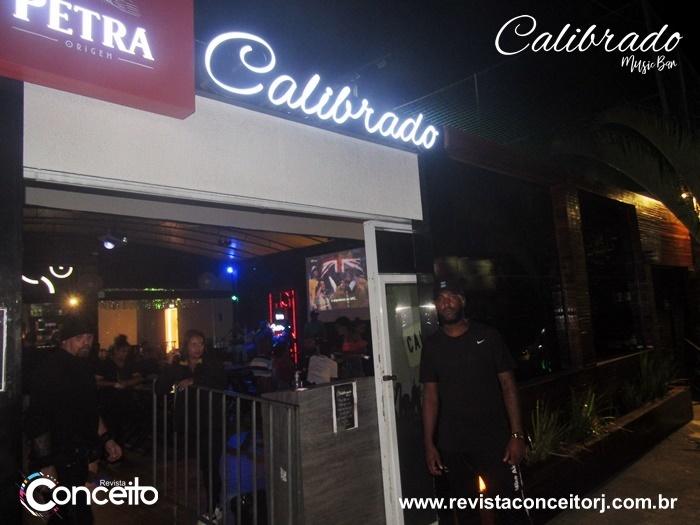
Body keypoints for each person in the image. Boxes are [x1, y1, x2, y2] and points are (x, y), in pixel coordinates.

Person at [420, 280, 531, 525]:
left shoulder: (488, 336)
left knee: (512, 509)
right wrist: (429, 445)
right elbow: (430, 396)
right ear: (436, 305)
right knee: (466, 513)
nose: (446, 303)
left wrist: (517, 435)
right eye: (440, 299)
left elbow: (508, 385)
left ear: (462, 300)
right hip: (453, 445)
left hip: (494, 441)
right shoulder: (432, 345)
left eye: (451, 296)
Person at [25, 315, 122, 525]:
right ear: (65, 340)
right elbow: (38, 418)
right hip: (58, 458)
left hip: (79, 457)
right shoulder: (49, 368)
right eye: (80, 337)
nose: (86, 342)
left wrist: (107, 439)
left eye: (89, 337)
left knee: (71, 516)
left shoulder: (84, 367)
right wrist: (46, 464)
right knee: (69, 516)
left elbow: (90, 410)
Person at [155, 329, 227, 525]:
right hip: (191, 423)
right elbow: (160, 388)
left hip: (212, 421)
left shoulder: (210, 363)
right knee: (204, 465)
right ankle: (215, 505)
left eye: (200, 344)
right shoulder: (180, 366)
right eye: (193, 344)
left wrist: (195, 381)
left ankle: (212, 509)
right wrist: (168, 365)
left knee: (210, 465)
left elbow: (221, 381)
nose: (198, 348)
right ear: (185, 347)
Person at [95, 340, 143, 443]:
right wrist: (113, 384)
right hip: (108, 401)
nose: (125, 354)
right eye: (123, 351)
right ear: (116, 351)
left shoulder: (130, 364)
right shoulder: (105, 364)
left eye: (127, 351)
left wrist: (127, 383)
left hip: (126, 401)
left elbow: (139, 378)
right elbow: (97, 382)